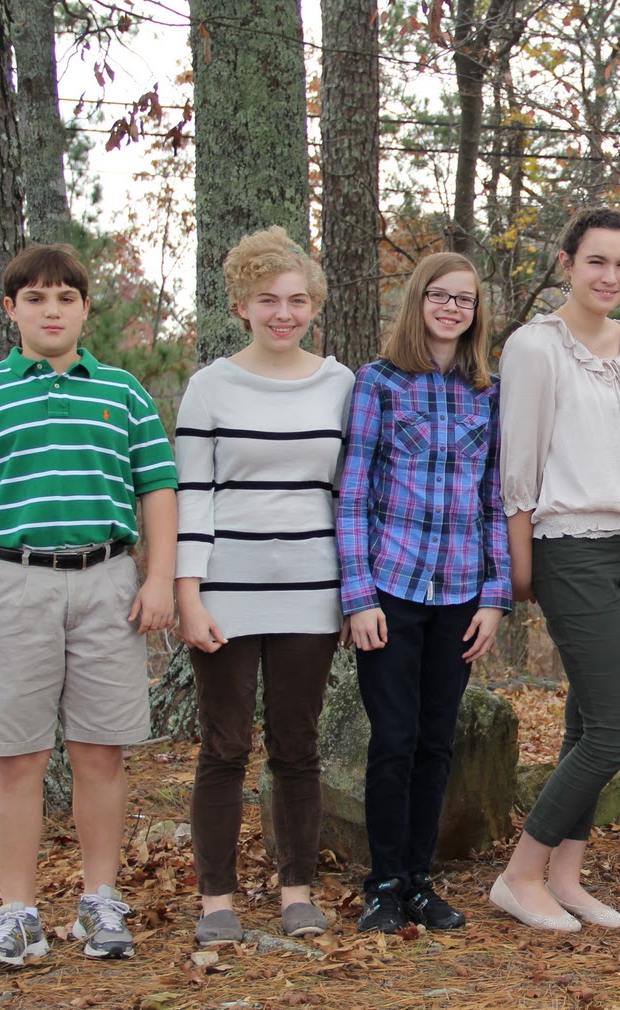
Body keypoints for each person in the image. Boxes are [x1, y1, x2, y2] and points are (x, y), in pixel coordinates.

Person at [0, 244, 178, 966]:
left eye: (66, 297)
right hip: (12, 582)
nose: (52, 310)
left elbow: (158, 490)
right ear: (11, 310)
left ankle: (100, 901)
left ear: (85, 309)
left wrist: (159, 579)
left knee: (101, 751)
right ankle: (18, 913)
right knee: (16, 757)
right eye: (35, 298)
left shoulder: (123, 393)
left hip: (108, 581)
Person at [175, 227, 354, 945]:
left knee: (296, 747)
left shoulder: (341, 384)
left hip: (312, 588)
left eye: (297, 300)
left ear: (314, 305)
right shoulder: (210, 386)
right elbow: (193, 496)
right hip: (226, 589)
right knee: (224, 747)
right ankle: (216, 901)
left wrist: (354, 592)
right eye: (268, 299)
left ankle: (297, 892)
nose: (284, 313)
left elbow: (348, 495)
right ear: (241, 306)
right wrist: (189, 595)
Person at [491, 208, 620, 932]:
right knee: (616, 731)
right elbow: (519, 465)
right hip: (571, 544)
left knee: (586, 720)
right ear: (567, 263)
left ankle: (565, 877)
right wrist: (522, 568)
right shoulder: (535, 347)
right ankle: (519, 874)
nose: (610, 276)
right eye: (596, 261)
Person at [337, 251, 510, 933]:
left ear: (475, 313)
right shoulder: (378, 382)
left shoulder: (486, 392)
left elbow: (493, 499)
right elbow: (353, 494)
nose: (451, 308)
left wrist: (494, 595)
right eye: (440, 295)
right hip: (392, 588)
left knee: (438, 742)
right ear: (418, 300)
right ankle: (382, 883)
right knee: (394, 739)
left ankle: (418, 881)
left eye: (464, 299)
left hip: (461, 591)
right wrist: (359, 596)